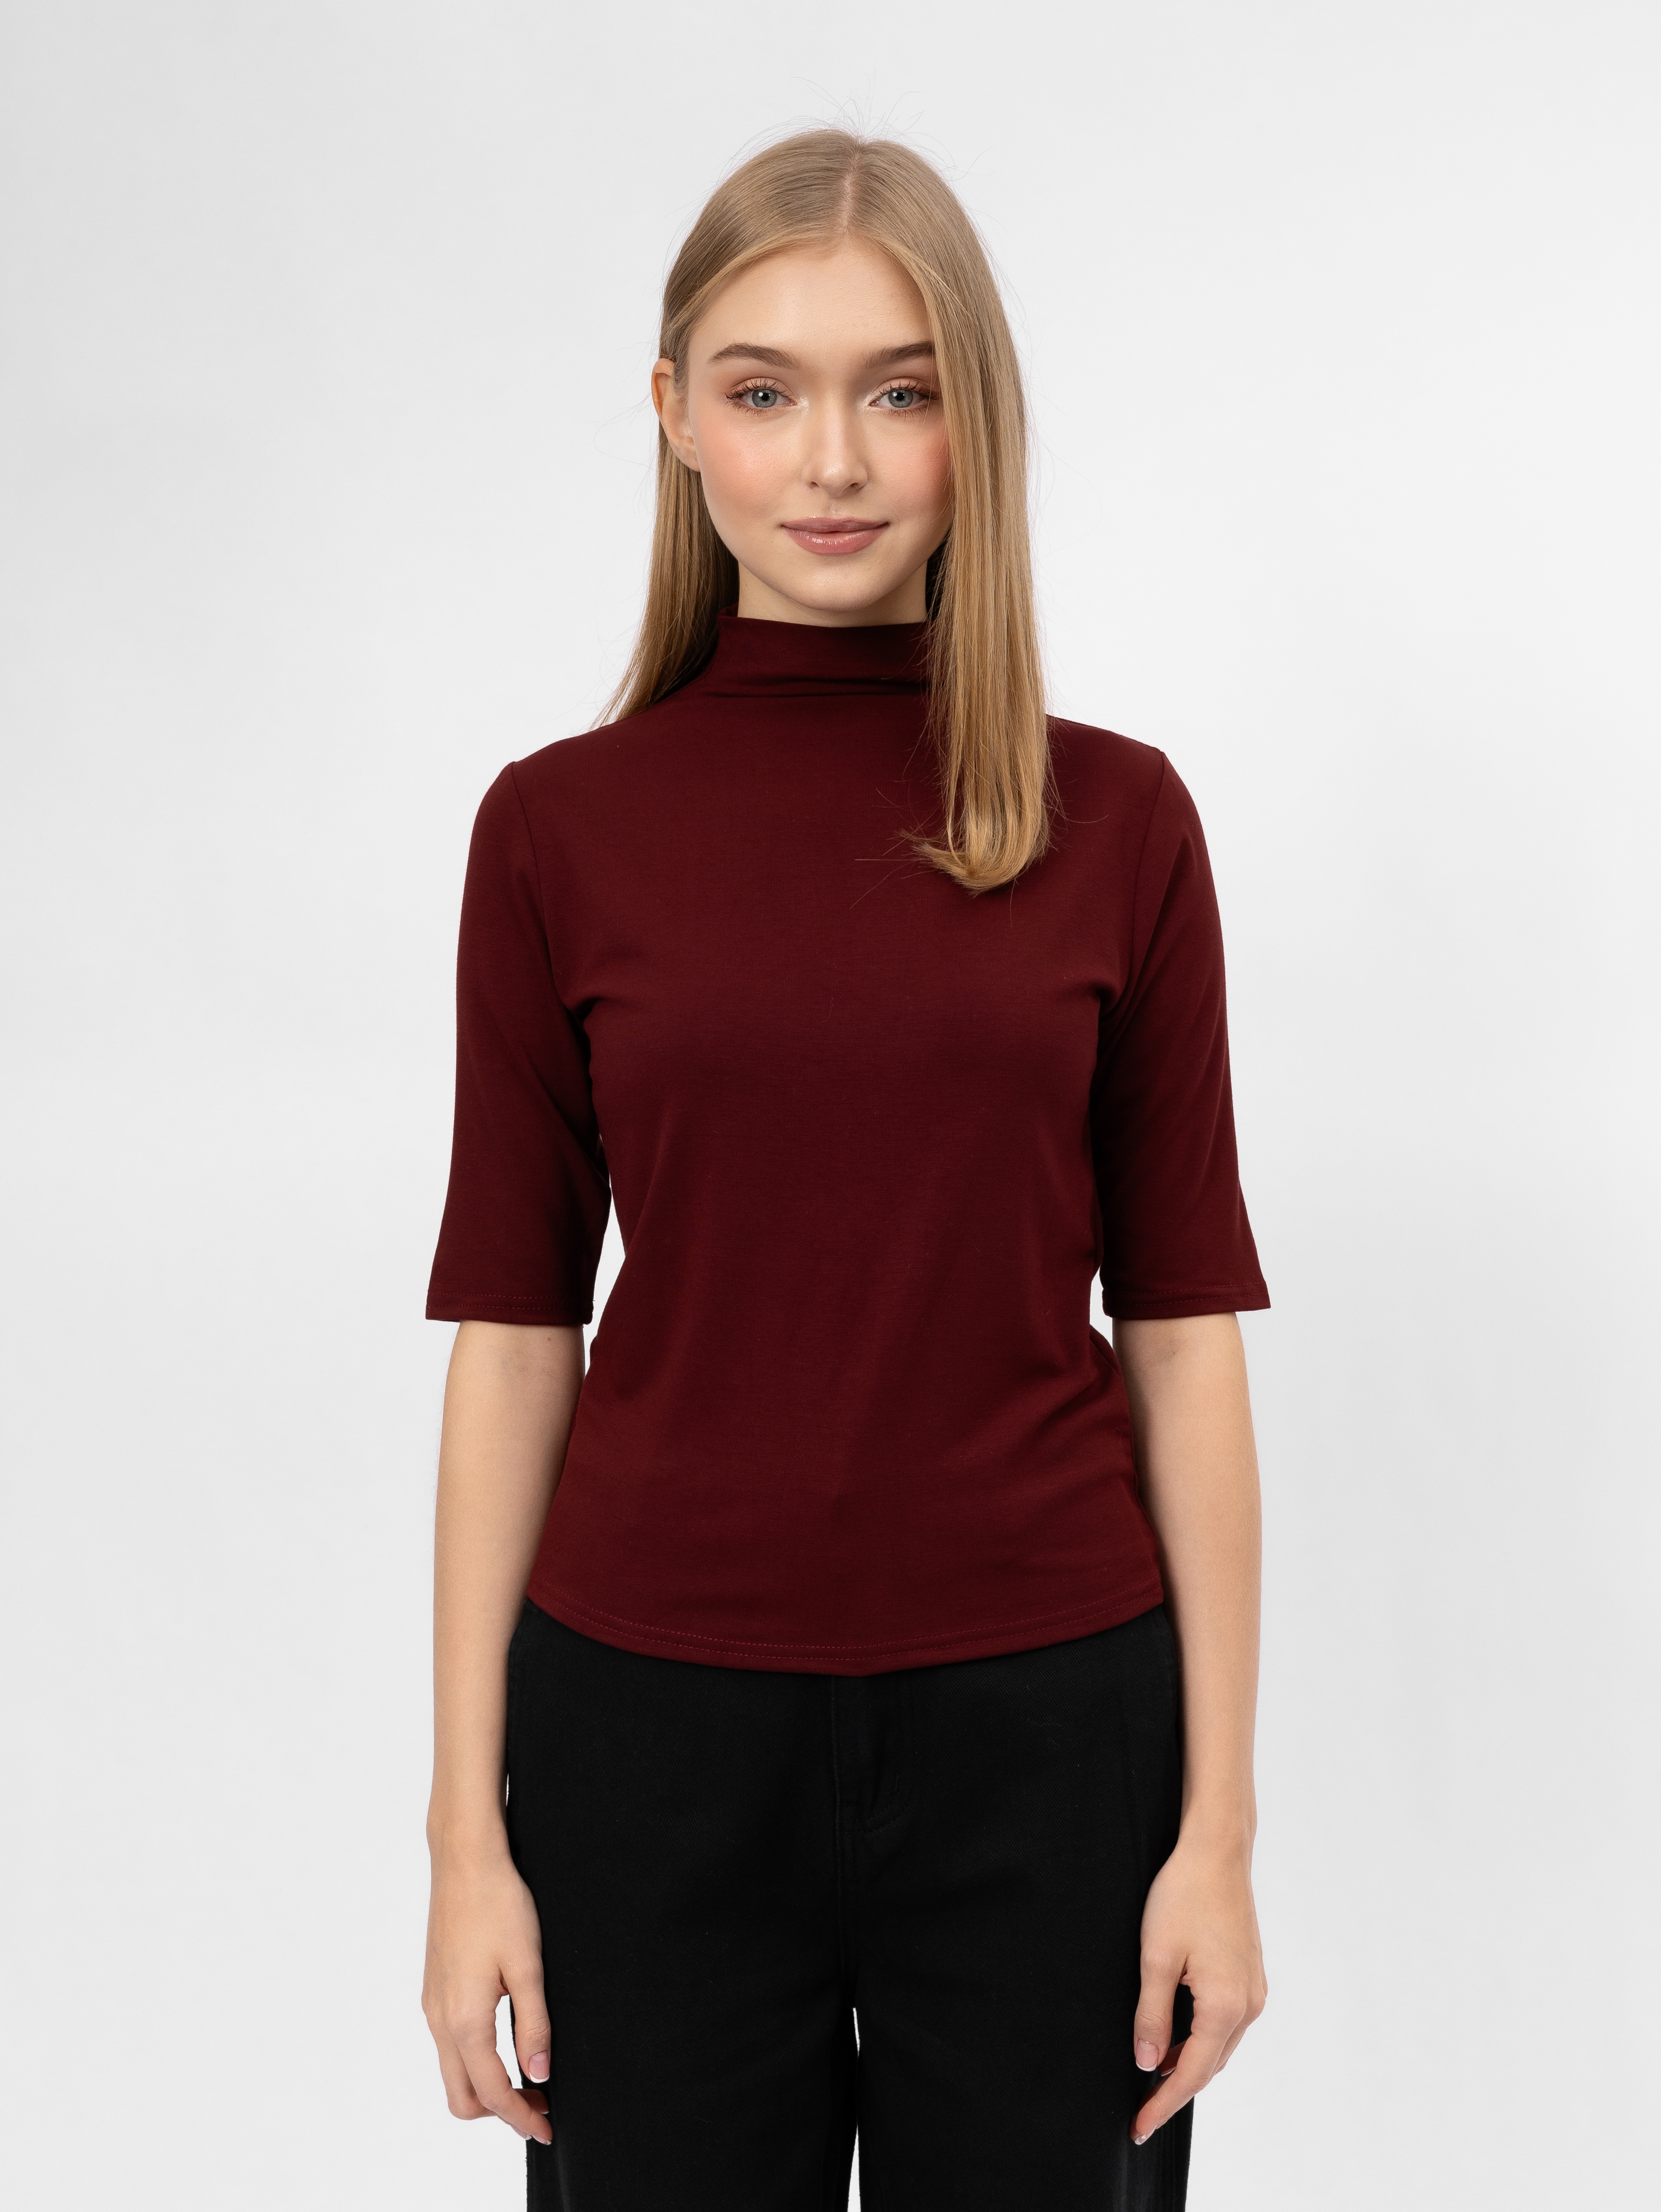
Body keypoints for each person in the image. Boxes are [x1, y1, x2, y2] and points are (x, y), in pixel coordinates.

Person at [419, 127, 1269, 2212]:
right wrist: (463, 1843)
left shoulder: (1119, 823)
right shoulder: (555, 831)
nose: (832, 460)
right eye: (762, 388)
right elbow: (515, 1339)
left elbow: (1180, 1338)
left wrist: (1216, 1835)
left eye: (900, 391)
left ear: (978, 421)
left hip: (1050, 1737)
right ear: (672, 414)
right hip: (647, 1737)